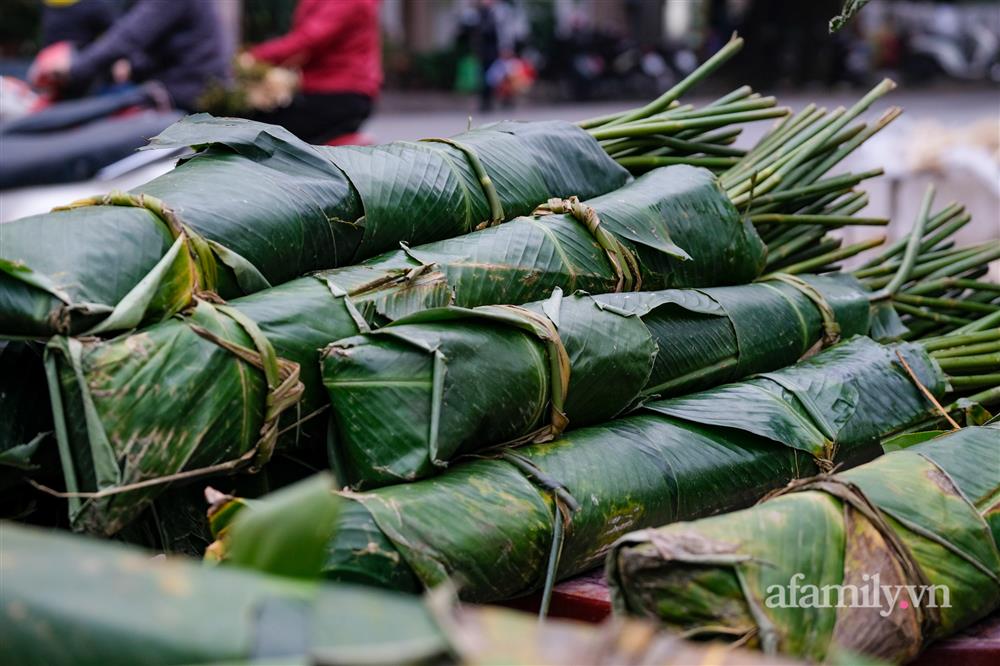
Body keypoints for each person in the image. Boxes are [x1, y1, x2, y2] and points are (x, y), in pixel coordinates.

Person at [29, 0, 230, 111]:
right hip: (182, 85)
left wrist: (74, 70)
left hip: (182, 94)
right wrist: (131, 66)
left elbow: (128, 36)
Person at [245, 0, 382, 144]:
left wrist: (253, 57)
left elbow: (310, 39)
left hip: (338, 93)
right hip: (324, 88)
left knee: (255, 130)